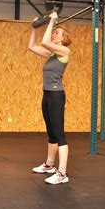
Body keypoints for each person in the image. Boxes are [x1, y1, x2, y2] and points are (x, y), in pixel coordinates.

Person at [28, 12, 71, 185]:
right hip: (47, 94)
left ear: (63, 38)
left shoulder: (64, 51)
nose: (54, 34)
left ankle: (62, 173)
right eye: (54, 32)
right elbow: (31, 46)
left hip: (56, 95)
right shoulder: (51, 54)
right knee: (51, 132)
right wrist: (33, 28)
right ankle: (49, 165)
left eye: (57, 33)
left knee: (59, 134)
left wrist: (52, 21)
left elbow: (45, 42)